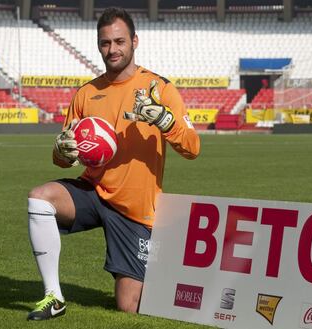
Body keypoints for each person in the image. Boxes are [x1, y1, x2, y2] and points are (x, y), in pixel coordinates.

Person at [26, 7, 200, 321]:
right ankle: (53, 296)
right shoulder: (86, 93)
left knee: (128, 305)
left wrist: (164, 119)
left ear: (134, 41)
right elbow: (64, 157)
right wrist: (62, 152)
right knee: (40, 198)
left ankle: (171, 271)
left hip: (135, 209)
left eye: (119, 41)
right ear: (98, 44)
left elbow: (192, 148)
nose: (112, 49)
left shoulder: (159, 89)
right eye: (105, 43)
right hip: (92, 190)